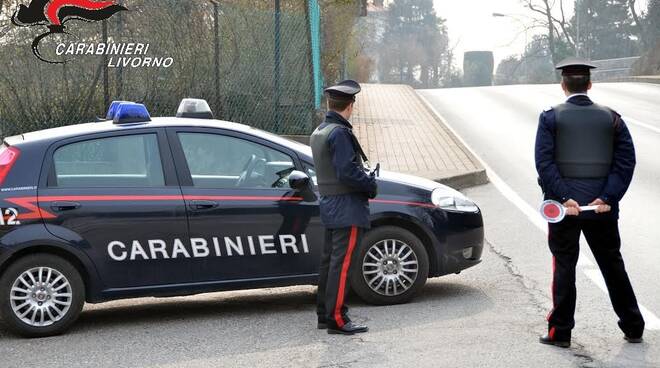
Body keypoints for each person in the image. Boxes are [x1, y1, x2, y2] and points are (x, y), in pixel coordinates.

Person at [534, 57, 645, 348]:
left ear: (563, 85)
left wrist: (563, 197)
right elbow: (626, 162)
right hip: (601, 209)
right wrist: (608, 197)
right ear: (590, 85)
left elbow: (544, 164)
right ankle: (633, 326)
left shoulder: (550, 117)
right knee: (612, 265)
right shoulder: (611, 117)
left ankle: (561, 332)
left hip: (565, 209)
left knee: (564, 266)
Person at [310, 80, 378, 335]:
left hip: (330, 205)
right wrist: (370, 184)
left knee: (330, 263)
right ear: (350, 106)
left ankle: (324, 314)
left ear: (331, 104)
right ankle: (337, 319)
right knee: (343, 264)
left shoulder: (321, 130)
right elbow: (347, 172)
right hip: (347, 206)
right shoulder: (339, 133)